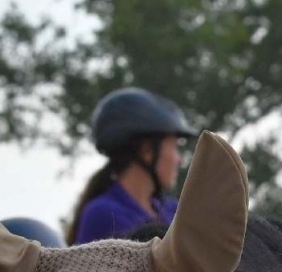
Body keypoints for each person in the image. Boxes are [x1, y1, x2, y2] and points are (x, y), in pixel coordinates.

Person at [68, 87, 195, 245]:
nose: (179, 159)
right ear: (147, 149)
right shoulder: (105, 215)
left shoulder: (172, 210)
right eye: (174, 147)